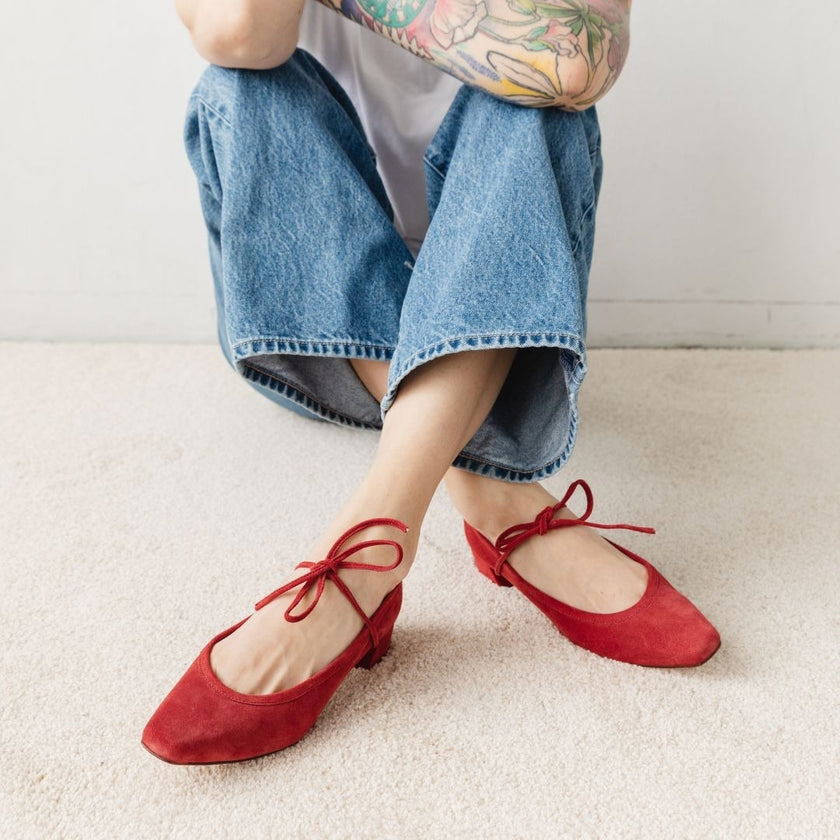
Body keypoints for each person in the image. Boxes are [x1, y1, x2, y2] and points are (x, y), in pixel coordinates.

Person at [142, 0, 720, 765]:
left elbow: (575, 58)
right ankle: (493, 496)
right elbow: (240, 33)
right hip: (310, 312)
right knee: (239, 88)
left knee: (545, 109)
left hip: (502, 288)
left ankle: (365, 551)